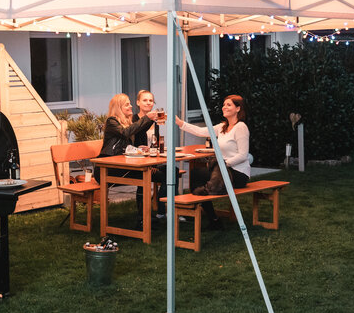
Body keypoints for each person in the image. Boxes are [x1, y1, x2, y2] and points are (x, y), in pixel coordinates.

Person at [175, 94, 250, 229]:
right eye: (224, 104)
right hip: (221, 169)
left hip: (238, 173)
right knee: (197, 173)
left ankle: (207, 192)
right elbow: (201, 131)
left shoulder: (241, 127)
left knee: (213, 168)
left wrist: (224, 164)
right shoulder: (222, 127)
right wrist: (181, 123)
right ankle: (213, 218)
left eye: (228, 105)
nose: (224, 107)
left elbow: (243, 155)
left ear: (238, 108)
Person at [94, 93, 167, 224]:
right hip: (107, 169)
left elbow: (128, 144)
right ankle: (143, 218)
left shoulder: (127, 122)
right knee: (146, 174)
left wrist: (139, 148)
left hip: (122, 166)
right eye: (127, 104)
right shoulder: (112, 121)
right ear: (118, 107)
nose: (131, 106)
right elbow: (125, 133)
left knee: (164, 174)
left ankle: (158, 214)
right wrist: (147, 118)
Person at [131, 90, 173, 218]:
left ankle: (162, 211)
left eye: (150, 100)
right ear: (138, 102)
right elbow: (133, 142)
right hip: (139, 163)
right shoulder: (134, 119)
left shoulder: (156, 121)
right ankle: (144, 215)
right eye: (145, 100)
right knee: (159, 175)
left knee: (173, 172)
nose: (148, 103)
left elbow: (155, 142)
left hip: (152, 160)